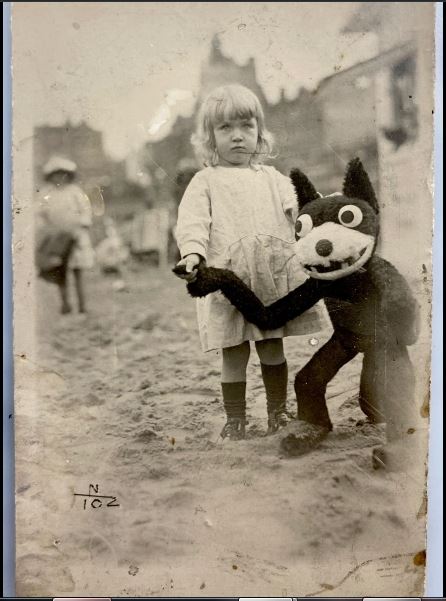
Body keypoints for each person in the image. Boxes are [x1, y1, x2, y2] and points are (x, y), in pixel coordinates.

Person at [174, 84, 327, 440]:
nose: (238, 137)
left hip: (269, 279)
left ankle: (277, 412)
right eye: (225, 129)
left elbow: (305, 211)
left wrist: (323, 218)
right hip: (229, 281)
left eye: (246, 126)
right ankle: (236, 420)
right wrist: (193, 254)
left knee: (272, 345)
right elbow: (193, 223)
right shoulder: (205, 182)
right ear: (209, 138)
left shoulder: (274, 179)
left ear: (259, 132)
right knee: (234, 353)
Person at [36, 156, 95, 314]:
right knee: (59, 271)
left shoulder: (75, 192)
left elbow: (86, 211)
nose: (59, 177)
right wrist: (47, 229)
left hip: (75, 235)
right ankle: (65, 304)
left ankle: (83, 304)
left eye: (63, 174)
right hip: (56, 237)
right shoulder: (46, 193)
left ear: (68, 175)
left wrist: (81, 224)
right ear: (50, 176)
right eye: (55, 174)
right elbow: (40, 214)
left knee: (78, 270)